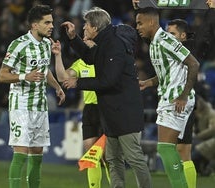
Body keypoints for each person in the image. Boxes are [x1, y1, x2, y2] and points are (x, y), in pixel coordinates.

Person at [61, 7, 152, 188]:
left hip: (125, 112)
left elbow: (108, 80)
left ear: (95, 26)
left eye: (86, 25)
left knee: (134, 158)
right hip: (111, 113)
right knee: (113, 158)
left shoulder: (114, 45)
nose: (84, 28)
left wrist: (78, 83)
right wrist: (73, 38)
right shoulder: (106, 44)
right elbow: (89, 57)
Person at [0, 5, 65, 188]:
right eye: (47, 22)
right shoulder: (18, 44)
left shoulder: (45, 44)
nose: (52, 26)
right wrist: (23, 76)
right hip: (21, 105)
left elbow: (45, 71)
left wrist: (57, 87)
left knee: (37, 155)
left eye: (52, 21)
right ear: (35, 25)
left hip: (40, 106)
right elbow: (2, 75)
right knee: (20, 153)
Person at [136, 7, 200, 188]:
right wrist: (148, 82)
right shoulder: (155, 43)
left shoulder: (165, 40)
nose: (137, 27)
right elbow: (168, 71)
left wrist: (183, 95)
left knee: (165, 148)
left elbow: (193, 63)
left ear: (151, 22)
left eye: (140, 23)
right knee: (171, 149)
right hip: (168, 97)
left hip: (175, 99)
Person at [52, 34, 104, 187]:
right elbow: (62, 77)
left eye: (89, 40)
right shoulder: (81, 64)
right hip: (90, 109)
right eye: (84, 41)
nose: (86, 42)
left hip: (107, 108)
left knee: (108, 156)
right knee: (91, 153)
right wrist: (58, 55)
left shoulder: (105, 61)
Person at [166, 18, 197, 188]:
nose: (168, 37)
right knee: (172, 150)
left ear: (183, 36)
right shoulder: (170, 51)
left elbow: (206, 34)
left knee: (183, 151)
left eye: (173, 34)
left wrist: (212, 10)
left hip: (183, 104)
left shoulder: (188, 51)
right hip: (171, 103)